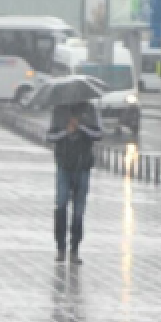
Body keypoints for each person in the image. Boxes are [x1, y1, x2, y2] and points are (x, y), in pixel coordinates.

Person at [47, 101, 103, 263]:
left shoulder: (90, 110)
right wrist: (66, 131)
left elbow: (98, 134)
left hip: (82, 166)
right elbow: (49, 136)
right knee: (61, 204)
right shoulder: (58, 110)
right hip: (64, 166)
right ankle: (60, 248)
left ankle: (75, 250)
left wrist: (81, 127)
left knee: (79, 211)